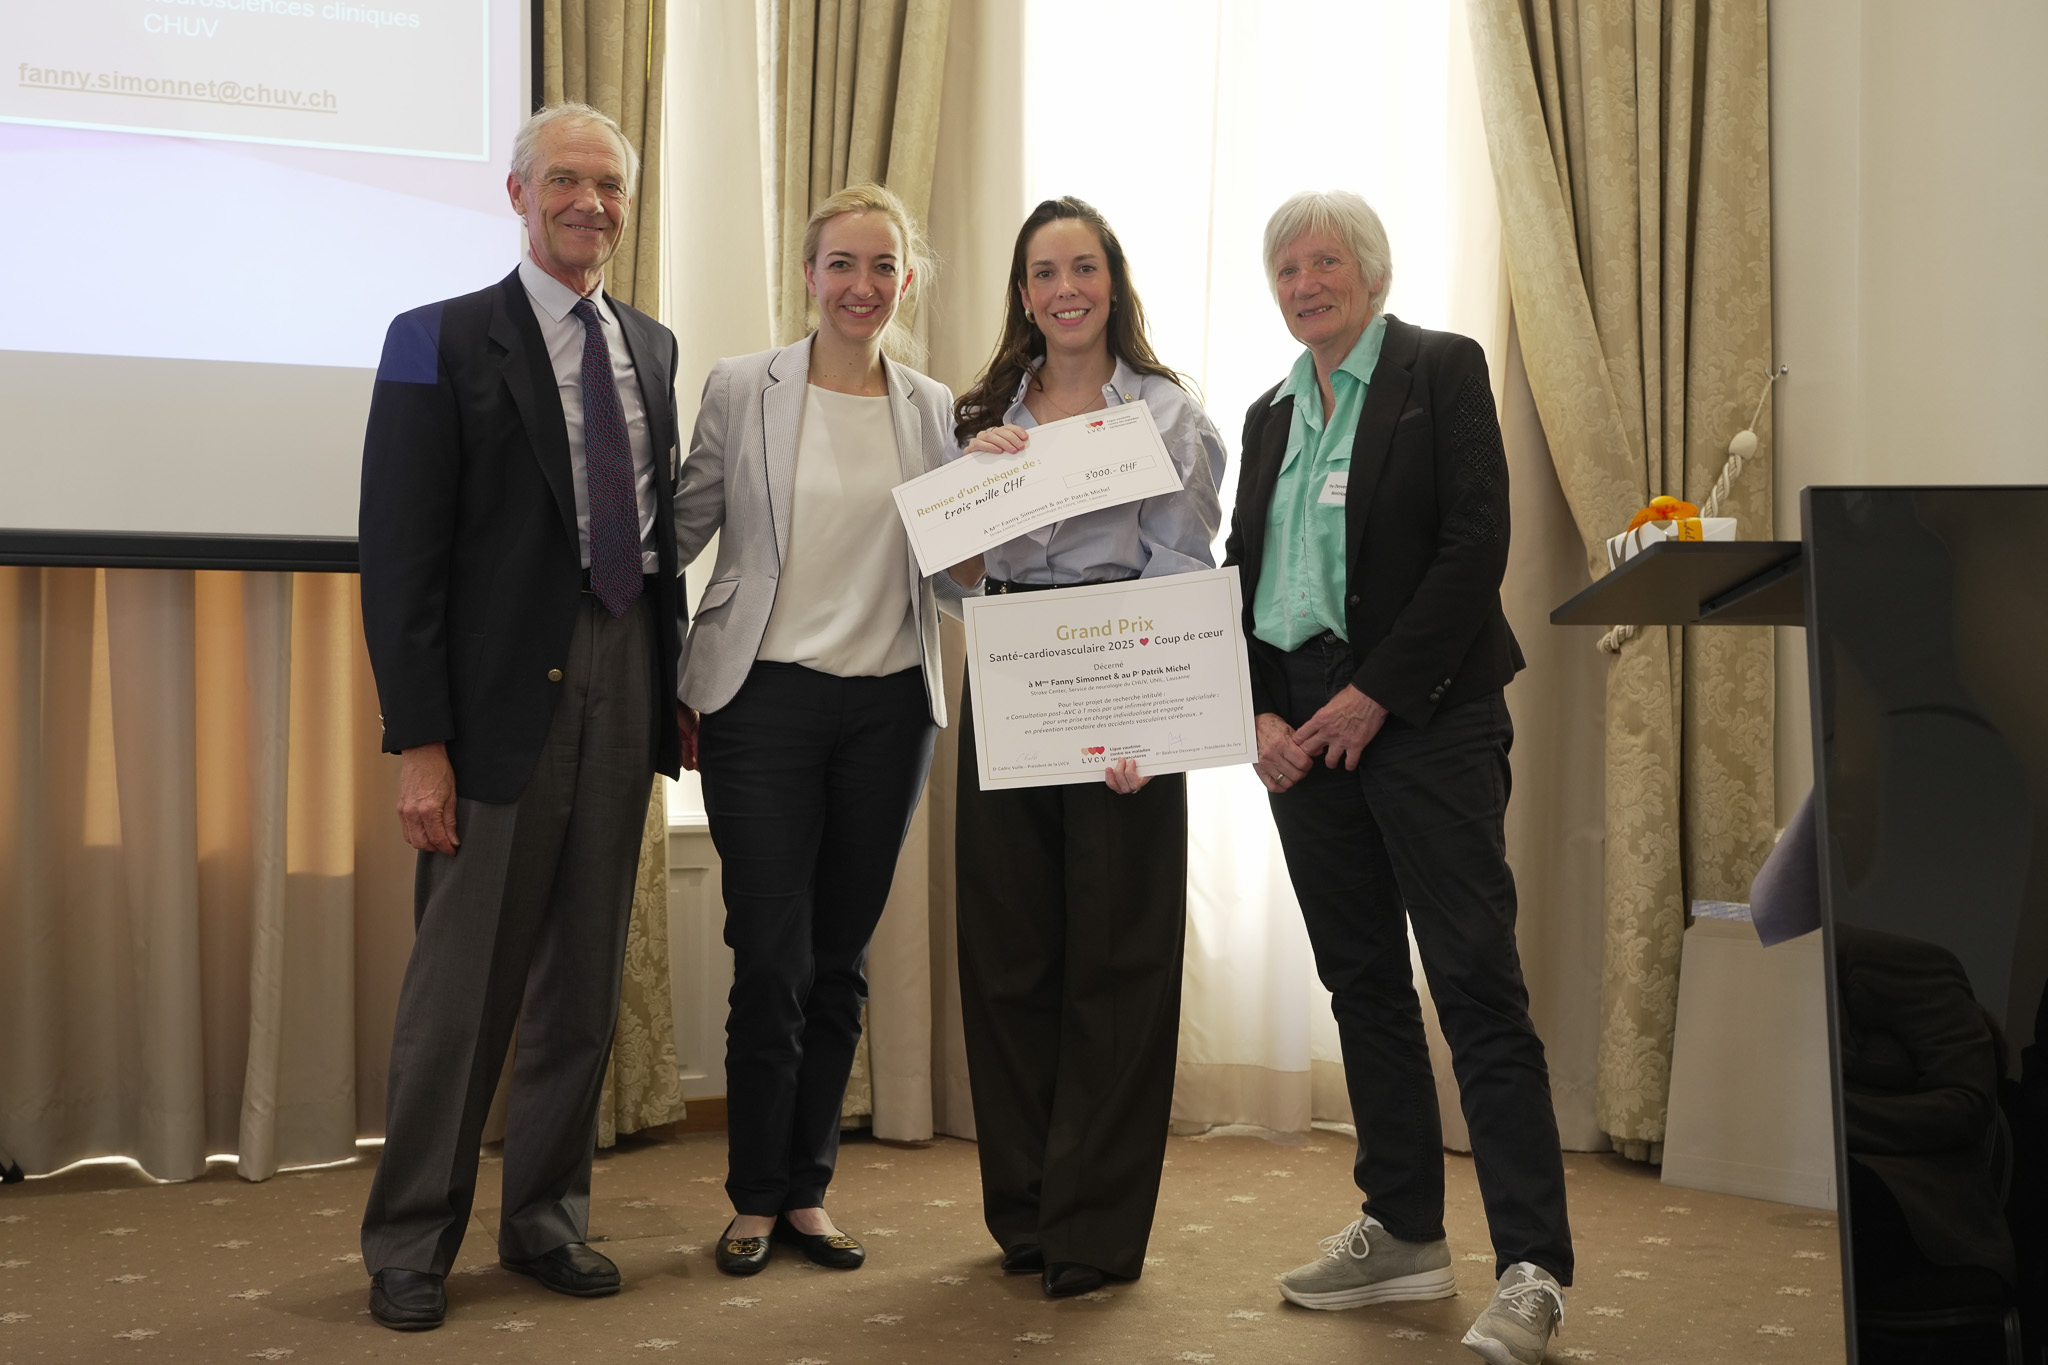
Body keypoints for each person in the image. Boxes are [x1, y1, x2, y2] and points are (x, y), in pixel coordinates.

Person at [1224, 189, 1573, 1365]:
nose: (1303, 284)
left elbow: (1475, 545)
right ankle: (1403, 1230)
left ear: (1370, 274)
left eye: (1324, 262)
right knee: (1361, 983)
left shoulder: (1439, 369)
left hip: (1422, 713)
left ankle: (1532, 1268)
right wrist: (1256, 709)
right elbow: (1240, 572)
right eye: (1285, 269)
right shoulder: (1268, 414)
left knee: (1473, 982)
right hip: (1299, 728)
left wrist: (1373, 693)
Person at [355, 102, 687, 1331]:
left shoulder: (651, 345)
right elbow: (399, 559)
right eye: (563, 180)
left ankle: (547, 1219)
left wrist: (674, 685)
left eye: (608, 184)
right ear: (516, 194)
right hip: (494, 708)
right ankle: (410, 1243)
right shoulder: (429, 339)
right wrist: (419, 745)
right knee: (459, 997)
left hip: (624, 675)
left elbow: (656, 539)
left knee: (582, 986)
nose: (589, 202)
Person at [672, 183, 958, 1278]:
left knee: (838, 962)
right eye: (842, 264)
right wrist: (656, 673)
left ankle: (807, 1192)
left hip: (889, 710)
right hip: (762, 706)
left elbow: (957, 574)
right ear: (809, 274)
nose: (861, 285)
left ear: (906, 281)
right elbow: (678, 531)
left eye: (883, 266)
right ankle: (753, 1195)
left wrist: (1009, 496)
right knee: (771, 958)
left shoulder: (933, 408)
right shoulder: (742, 386)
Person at [947, 197, 1223, 1299]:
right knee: (1008, 956)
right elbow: (953, 581)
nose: (1064, 289)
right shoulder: (982, 415)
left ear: (1112, 282)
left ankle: (1094, 1231)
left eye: (1083, 268)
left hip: (1125, 684)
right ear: (1023, 294)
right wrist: (974, 492)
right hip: (1011, 683)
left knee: (1118, 961)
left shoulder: (1165, 413)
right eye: (1043, 272)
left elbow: (1183, 562)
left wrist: (1147, 717)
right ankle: (1025, 1212)